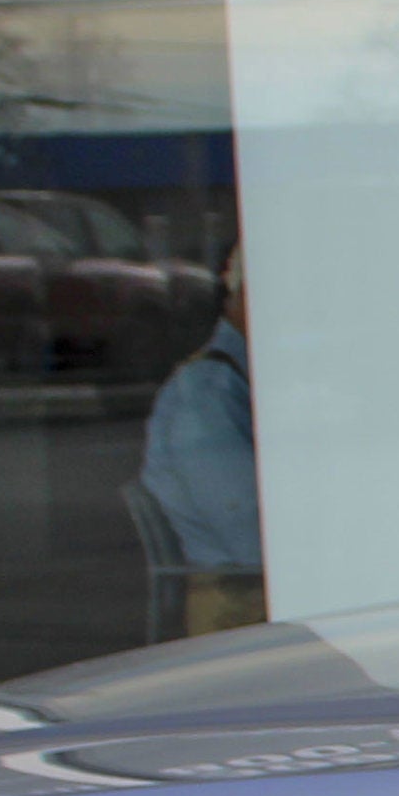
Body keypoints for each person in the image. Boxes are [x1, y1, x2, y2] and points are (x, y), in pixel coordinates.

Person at [130, 245, 264, 638]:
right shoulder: (206, 393)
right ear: (241, 297)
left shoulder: (241, 378)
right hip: (240, 606)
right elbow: (246, 536)